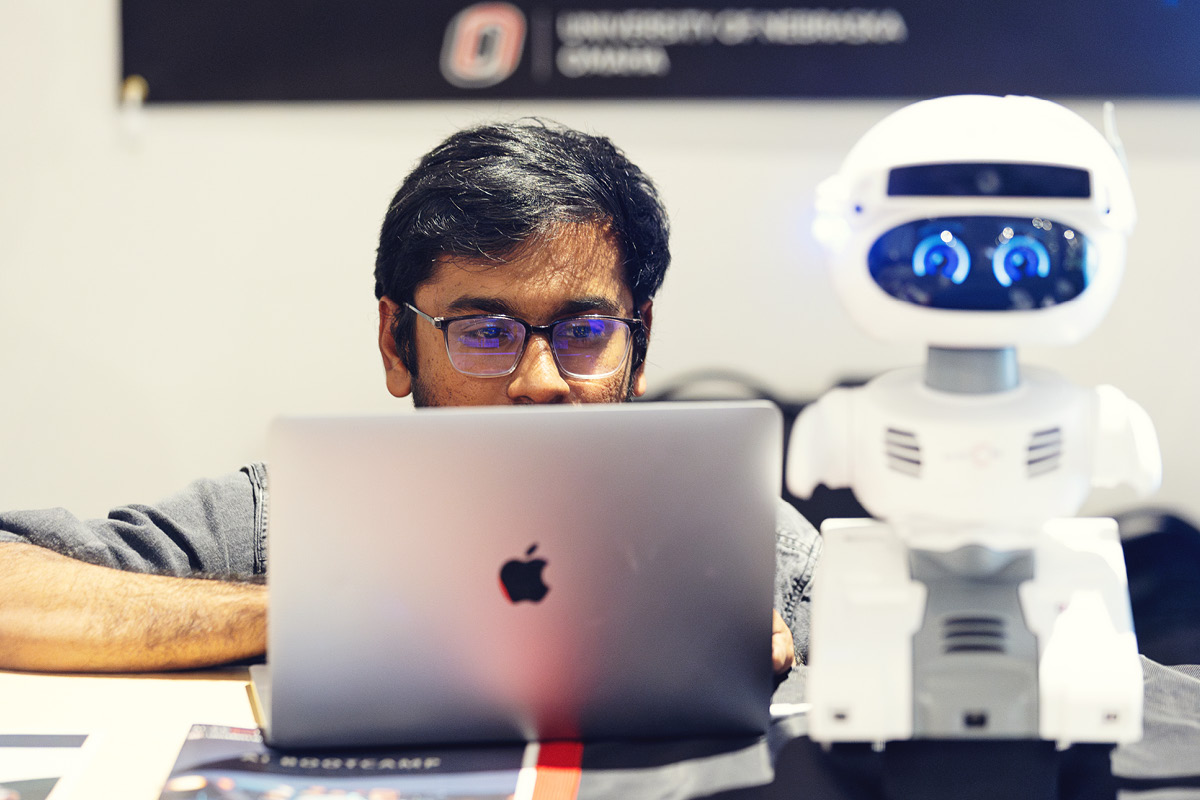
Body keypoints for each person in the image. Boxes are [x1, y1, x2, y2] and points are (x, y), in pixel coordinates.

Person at [0, 120, 821, 675]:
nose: (539, 382)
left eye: (583, 331)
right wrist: (318, 616)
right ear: (397, 344)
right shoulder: (282, 521)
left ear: (638, 342)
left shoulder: (751, 548)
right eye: (486, 332)